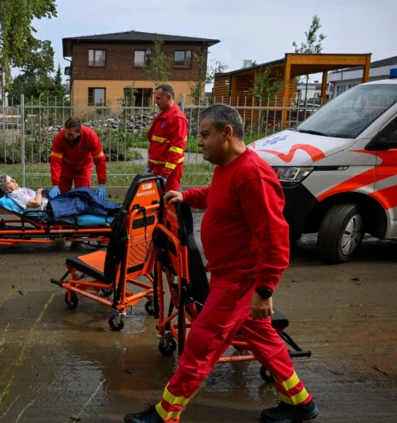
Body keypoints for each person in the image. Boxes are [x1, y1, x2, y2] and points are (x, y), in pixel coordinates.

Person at [124, 104, 319, 423]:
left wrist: (265, 289)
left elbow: (275, 235)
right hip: (230, 277)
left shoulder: (252, 174)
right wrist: (187, 196)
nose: (198, 143)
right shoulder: (228, 167)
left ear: (227, 133)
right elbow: (218, 196)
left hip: (239, 282)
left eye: (204, 135)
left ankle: (165, 414)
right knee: (265, 341)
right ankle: (300, 403)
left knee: (201, 344)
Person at [49, 117, 108, 200]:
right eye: (66, 133)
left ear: (79, 132)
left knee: (82, 196)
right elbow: (55, 161)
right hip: (65, 167)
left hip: (83, 168)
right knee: (61, 196)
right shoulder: (60, 137)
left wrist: (101, 183)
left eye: (71, 134)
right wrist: (55, 184)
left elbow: (100, 160)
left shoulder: (90, 136)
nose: (67, 136)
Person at [146, 84, 188, 191]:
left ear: (168, 97)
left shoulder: (176, 118)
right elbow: (157, 145)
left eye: (158, 98)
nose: (156, 101)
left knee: (168, 202)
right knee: (158, 201)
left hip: (170, 170)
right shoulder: (164, 115)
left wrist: (165, 174)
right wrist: (150, 166)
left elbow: (176, 148)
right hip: (159, 167)